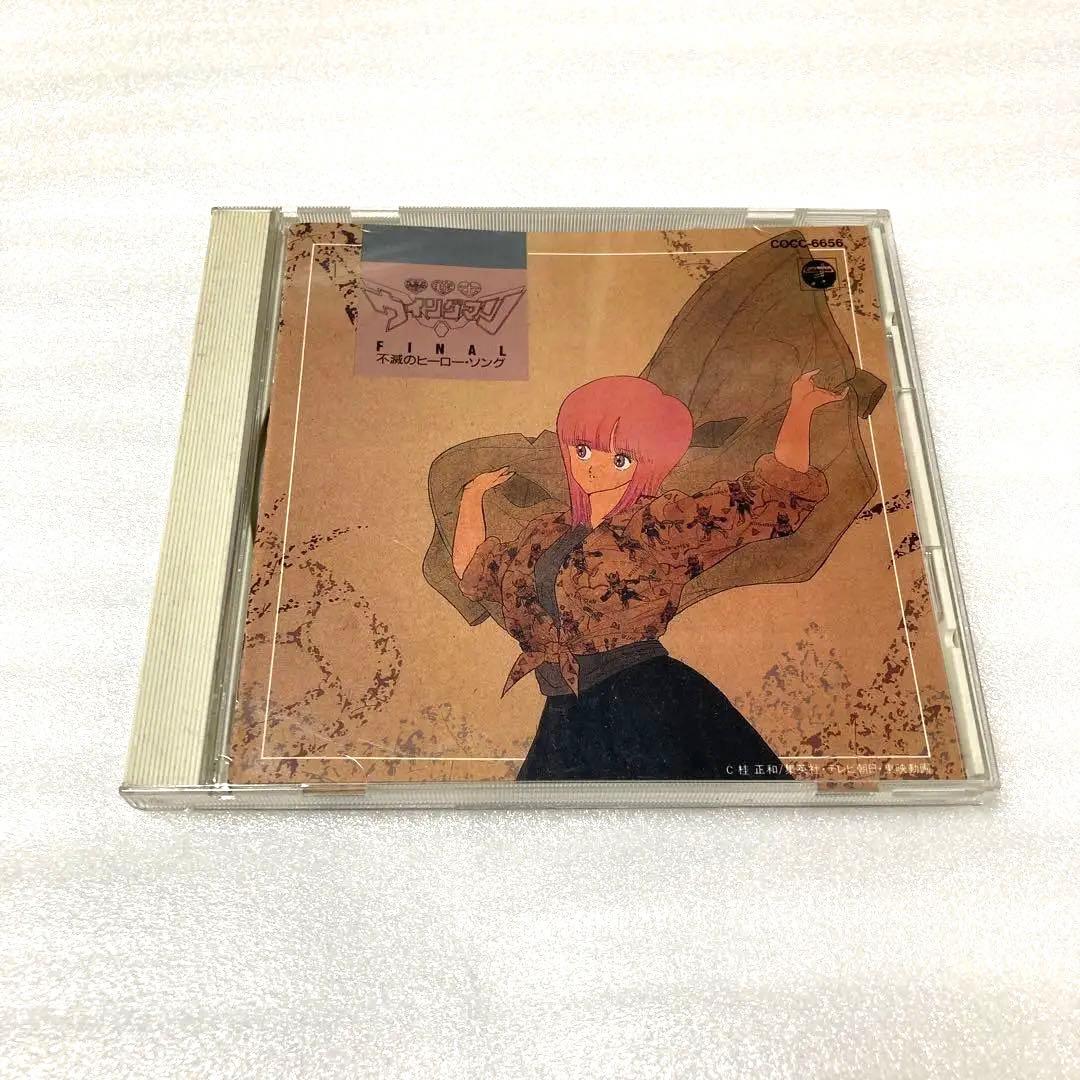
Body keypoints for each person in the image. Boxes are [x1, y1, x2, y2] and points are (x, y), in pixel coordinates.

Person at [451, 371, 846, 781]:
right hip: (565, 713)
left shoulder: (659, 524)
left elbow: (766, 498)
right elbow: (478, 571)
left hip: (643, 700)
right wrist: (471, 496)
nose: (593, 466)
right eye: (582, 450)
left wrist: (800, 409)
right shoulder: (546, 535)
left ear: (648, 461)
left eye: (619, 458)